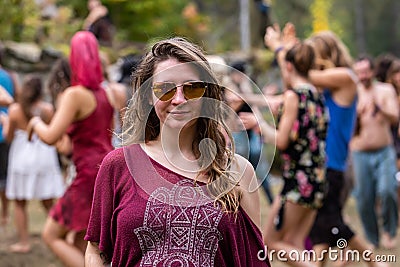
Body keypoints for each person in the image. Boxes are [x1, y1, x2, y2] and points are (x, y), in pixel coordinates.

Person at [84, 37, 270, 266]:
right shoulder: (119, 165)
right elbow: (95, 251)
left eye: (193, 88)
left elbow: (255, 259)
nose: (179, 99)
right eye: (165, 88)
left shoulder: (238, 172)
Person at [26, 31, 121, 266]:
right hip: (107, 170)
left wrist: (35, 123)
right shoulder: (107, 93)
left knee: (50, 235)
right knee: (82, 242)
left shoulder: (74, 95)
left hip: (87, 174)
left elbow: (50, 137)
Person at [260, 33, 328, 266]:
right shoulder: (317, 95)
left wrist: (260, 124)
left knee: (271, 242)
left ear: (288, 65)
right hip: (317, 177)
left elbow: (281, 141)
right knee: (295, 242)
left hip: (297, 180)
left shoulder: (293, 96)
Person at [1, 75, 65, 253]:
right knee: (48, 201)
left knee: (20, 202)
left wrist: (5, 121)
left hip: (22, 156)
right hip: (44, 155)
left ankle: (23, 242)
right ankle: (59, 235)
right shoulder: (47, 109)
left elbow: (8, 137)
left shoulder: (14, 110)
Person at [351, 55, 399, 249]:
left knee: (387, 190)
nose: (362, 76)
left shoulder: (385, 90)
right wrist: (357, 115)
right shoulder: (352, 93)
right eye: (359, 72)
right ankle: (372, 238)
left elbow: (395, 117)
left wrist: (380, 109)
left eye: (365, 71)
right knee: (364, 199)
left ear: (371, 71)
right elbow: (345, 128)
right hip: (359, 153)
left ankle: (390, 231)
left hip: (384, 151)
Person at [0, 53, 16, 230]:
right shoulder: (10, 76)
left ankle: (4, 213)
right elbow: (15, 101)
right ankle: (4, 213)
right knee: (4, 176)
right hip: (6, 133)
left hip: (3, 132)